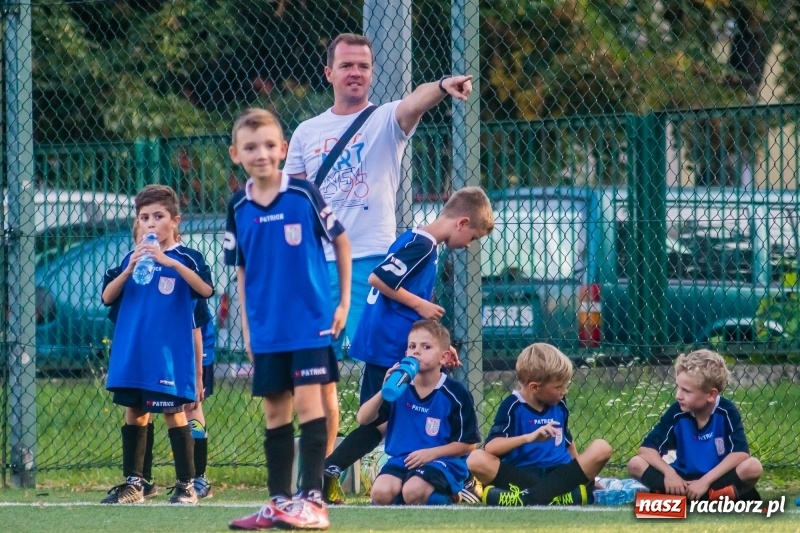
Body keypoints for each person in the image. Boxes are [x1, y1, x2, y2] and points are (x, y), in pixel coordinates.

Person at [283, 32, 474, 458]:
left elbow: (414, 102)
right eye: (347, 65)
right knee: (315, 379)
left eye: (363, 66)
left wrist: (443, 86)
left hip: (369, 267)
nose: (355, 73)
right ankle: (321, 473)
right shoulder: (306, 132)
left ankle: (403, 461)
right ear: (329, 72)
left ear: (371, 73)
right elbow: (292, 203)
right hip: (314, 268)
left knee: (392, 374)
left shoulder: (385, 119)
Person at [322, 186, 494, 504]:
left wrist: (440, 344)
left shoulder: (420, 241)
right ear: (462, 222)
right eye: (472, 237)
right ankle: (459, 479)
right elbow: (378, 279)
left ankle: (438, 474)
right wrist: (420, 304)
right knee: (382, 419)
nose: (469, 245)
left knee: (394, 416)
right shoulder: (423, 245)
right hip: (391, 346)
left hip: (398, 343)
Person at [225, 108, 351, 531]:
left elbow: (342, 242)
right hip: (267, 330)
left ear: (282, 149)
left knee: (309, 404)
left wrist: (342, 303)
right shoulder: (237, 206)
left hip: (309, 323)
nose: (260, 154)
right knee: (275, 413)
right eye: (250, 147)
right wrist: (247, 328)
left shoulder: (303, 194)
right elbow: (241, 270)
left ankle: (312, 501)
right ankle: (279, 501)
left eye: (268, 145)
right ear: (236, 154)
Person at [100, 184, 214, 505]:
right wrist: (129, 269)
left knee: (174, 414)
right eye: (144, 217)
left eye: (159, 216)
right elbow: (107, 297)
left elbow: (205, 290)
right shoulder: (130, 259)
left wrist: (170, 263)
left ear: (175, 221)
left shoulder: (187, 258)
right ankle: (135, 484)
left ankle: (186, 484)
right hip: (134, 356)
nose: (151, 223)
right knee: (135, 413)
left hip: (168, 358)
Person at [468, 343, 613, 506]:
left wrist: (586, 476)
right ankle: (556, 497)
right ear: (535, 387)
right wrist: (529, 438)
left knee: (602, 448)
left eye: (565, 385)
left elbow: (567, 442)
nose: (565, 391)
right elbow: (491, 448)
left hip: (561, 474)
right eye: (559, 387)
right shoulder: (512, 406)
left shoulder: (559, 403)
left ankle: (526, 498)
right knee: (476, 458)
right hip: (523, 475)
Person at [357, 320, 480, 506]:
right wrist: (384, 390)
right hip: (403, 460)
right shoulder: (398, 387)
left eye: (426, 347)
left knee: (413, 491)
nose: (416, 351)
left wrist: (431, 453)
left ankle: (453, 494)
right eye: (412, 346)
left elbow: (469, 444)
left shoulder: (455, 393)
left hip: (442, 461)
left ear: (444, 357)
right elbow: (363, 419)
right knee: (381, 494)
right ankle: (407, 496)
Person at [627, 349, 763, 501]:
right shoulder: (677, 412)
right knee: (635, 464)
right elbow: (646, 450)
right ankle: (705, 498)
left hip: (714, 480)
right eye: (678, 387)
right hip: (681, 480)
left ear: (711, 395)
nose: (678, 395)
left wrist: (705, 481)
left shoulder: (726, 412)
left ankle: (687, 497)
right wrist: (670, 474)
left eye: (686, 390)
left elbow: (741, 453)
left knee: (753, 467)